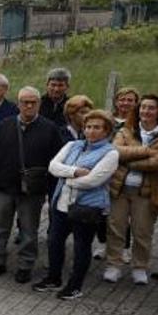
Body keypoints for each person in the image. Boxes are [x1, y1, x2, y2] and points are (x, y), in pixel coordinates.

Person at [0, 87, 67, 284]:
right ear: (18, 103)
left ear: (39, 103)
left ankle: (25, 265)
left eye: (33, 102)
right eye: (24, 102)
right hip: (4, 187)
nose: (29, 105)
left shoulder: (49, 128)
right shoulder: (5, 125)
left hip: (33, 191)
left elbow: (58, 160)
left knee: (29, 230)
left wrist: (46, 185)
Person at [34, 110, 118, 300]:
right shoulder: (73, 145)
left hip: (87, 208)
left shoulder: (111, 153)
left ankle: (75, 286)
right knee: (54, 241)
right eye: (88, 127)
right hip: (61, 204)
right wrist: (75, 172)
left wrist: (67, 179)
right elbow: (52, 166)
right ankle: (53, 278)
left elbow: (94, 180)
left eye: (97, 127)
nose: (91, 131)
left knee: (81, 246)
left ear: (106, 131)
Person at [104, 93, 158, 285]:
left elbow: (157, 162)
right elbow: (115, 152)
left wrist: (130, 162)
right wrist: (145, 152)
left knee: (142, 231)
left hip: (145, 193)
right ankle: (114, 265)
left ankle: (139, 267)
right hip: (119, 189)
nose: (146, 111)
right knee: (115, 228)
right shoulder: (126, 130)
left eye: (151, 108)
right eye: (143, 107)